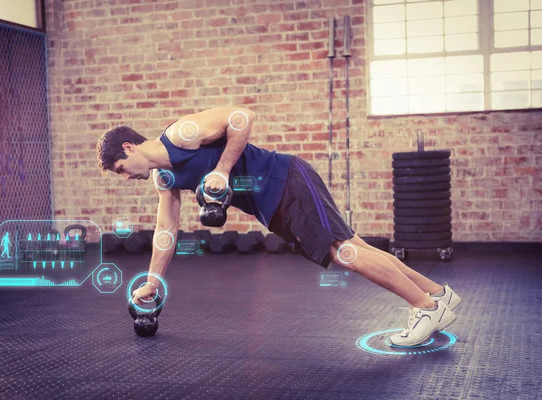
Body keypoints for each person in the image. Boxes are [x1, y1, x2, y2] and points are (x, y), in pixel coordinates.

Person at [95, 106, 461, 346]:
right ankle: (438, 295)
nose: (126, 177)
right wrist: (153, 280)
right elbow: (166, 231)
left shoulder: (180, 135)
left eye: (121, 170)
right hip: (272, 205)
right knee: (354, 247)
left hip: (285, 180)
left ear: (129, 148)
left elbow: (240, 117)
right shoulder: (165, 179)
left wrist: (221, 170)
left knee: (343, 253)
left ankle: (425, 307)